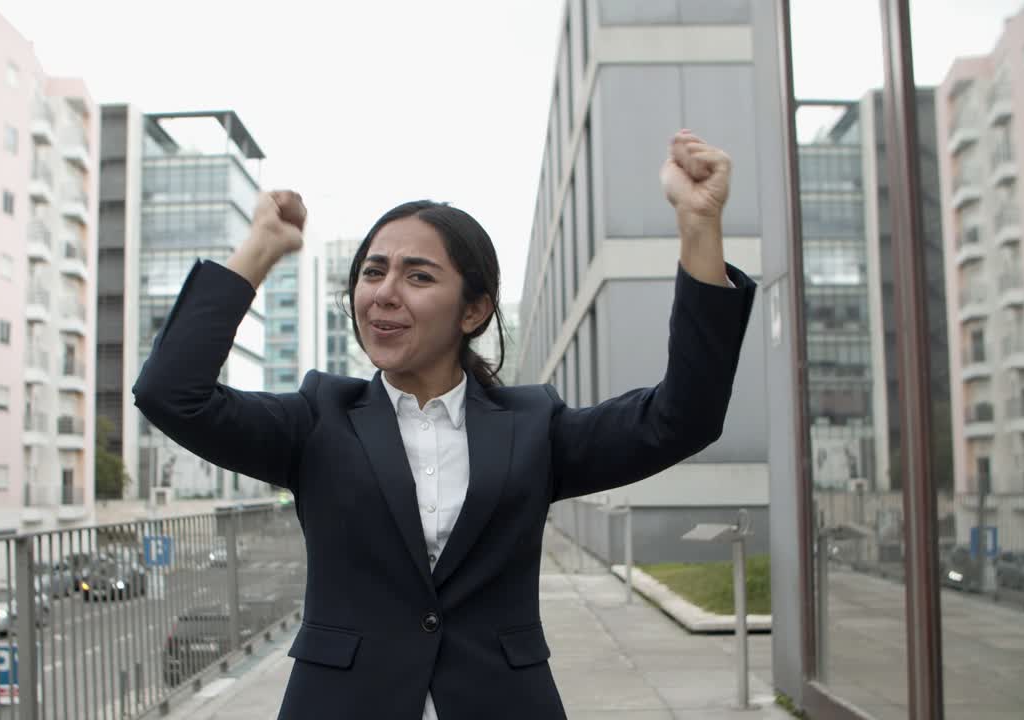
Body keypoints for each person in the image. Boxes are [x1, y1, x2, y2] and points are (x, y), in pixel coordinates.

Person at [133, 130, 756, 719]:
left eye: (418, 276)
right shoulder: (316, 419)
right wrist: (261, 247)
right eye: (373, 272)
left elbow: (685, 416)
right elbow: (170, 394)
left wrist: (699, 227)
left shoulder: (535, 427)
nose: (384, 292)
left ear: (475, 309)